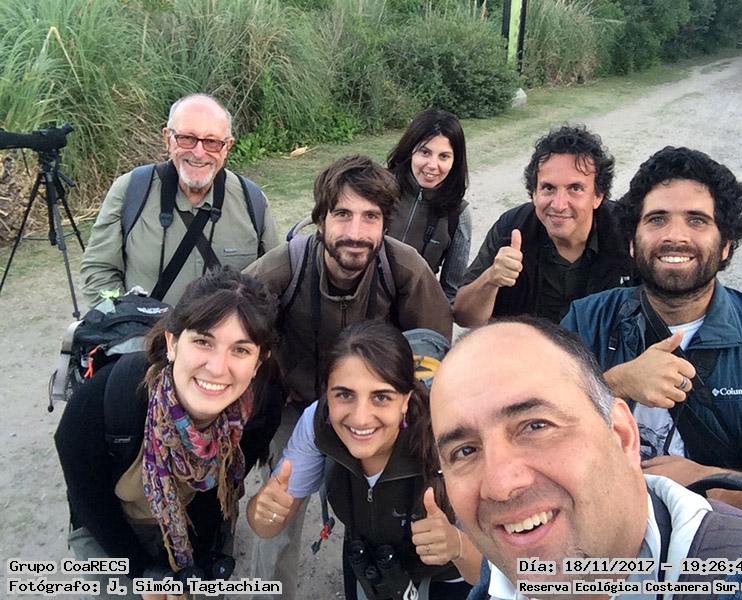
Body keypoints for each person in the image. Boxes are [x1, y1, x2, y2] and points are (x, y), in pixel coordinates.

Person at [429, 317, 742, 600]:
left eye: (536, 426)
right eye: (465, 451)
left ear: (622, 435)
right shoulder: (499, 576)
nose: (499, 485)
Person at [243, 154, 453, 598]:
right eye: (342, 214)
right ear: (320, 219)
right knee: (280, 512)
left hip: (378, 409)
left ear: (385, 224)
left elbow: (434, 353)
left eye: (370, 217)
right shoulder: (282, 269)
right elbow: (226, 327)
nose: (356, 232)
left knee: (406, 514)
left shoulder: (406, 271)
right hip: (296, 407)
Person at [561, 146, 742, 511]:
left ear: (725, 245)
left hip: (726, 534)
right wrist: (613, 386)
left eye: (697, 220)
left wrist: (704, 483)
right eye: (657, 219)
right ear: (632, 242)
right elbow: (537, 427)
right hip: (605, 524)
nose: (675, 236)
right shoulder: (587, 319)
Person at [55, 266, 279, 599]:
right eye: (203, 341)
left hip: (197, 523)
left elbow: (213, 500)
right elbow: (90, 502)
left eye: (241, 350)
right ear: (172, 343)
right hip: (113, 529)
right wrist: (144, 574)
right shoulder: (105, 400)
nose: (218, 368)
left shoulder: (259, 411)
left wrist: (193, 566)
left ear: (259, 362)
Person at [247, 321, 480, 599]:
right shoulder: (318, 423)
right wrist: (264, 510)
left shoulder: (450, 438)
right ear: (327, 393)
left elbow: (503, 574)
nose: (360, 418)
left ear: (405, 400)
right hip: (371, 561)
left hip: (449, 575)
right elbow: (266, 527)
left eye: (381, 397)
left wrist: (457, 546)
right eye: (345, 395)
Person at [80, 93, 278, 307]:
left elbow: (273, 283)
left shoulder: (253, 201)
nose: (199, 153)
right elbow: (98, 271)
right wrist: (123, 319)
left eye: (212, 142)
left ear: (227, 147)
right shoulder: (130, 190)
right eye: (187, 138)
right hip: (144, 329)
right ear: (168, 138)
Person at [453, 125, 633, 325]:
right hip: (523, 343)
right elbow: (463, 317)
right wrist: (491, 279)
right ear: (534, 193)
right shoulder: (511, 228)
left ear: (598, 196)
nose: (559, 204)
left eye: (575, 188)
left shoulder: (626, 233)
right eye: (548, 188)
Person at [386, 108, 472, 301]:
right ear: (410, 151)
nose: (433, 165)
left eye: (444, 156)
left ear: (455, 161)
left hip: (414, 311)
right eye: (425, 152)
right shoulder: (378, 189)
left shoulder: (458, 214)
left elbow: (451, 291)